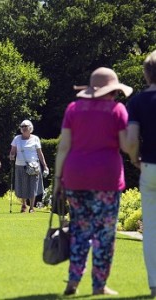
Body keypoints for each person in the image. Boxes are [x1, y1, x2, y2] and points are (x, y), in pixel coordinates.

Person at [53, 67, 133, 296]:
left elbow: (64, 147)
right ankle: (99, 285)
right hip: (106, 178)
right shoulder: (118, 110)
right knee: (104, 235)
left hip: (75, 177)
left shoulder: (73, 109)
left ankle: (73, 281)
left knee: (79, 231)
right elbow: (127, 146)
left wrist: (58, 179)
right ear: (110, 91)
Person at [127, 50, 156, 298]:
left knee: (151, 228)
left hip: (149, 167)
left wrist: (133, 157)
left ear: (147, 74)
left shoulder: (136, 102)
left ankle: (154, 282)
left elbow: (132, 139)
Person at [9, 120, 49, 213]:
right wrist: (11, 155)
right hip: (20, 165)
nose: (23, 128)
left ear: (30, 128)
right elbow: (12, 150)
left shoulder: (35, 138)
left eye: (25, 126)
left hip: (33, 166)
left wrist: (45, 166)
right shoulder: (17, 139)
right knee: (22, 185)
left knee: (33, 186)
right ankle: (23, 205)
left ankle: (31, 207)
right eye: (22, 126)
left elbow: (40, 153)